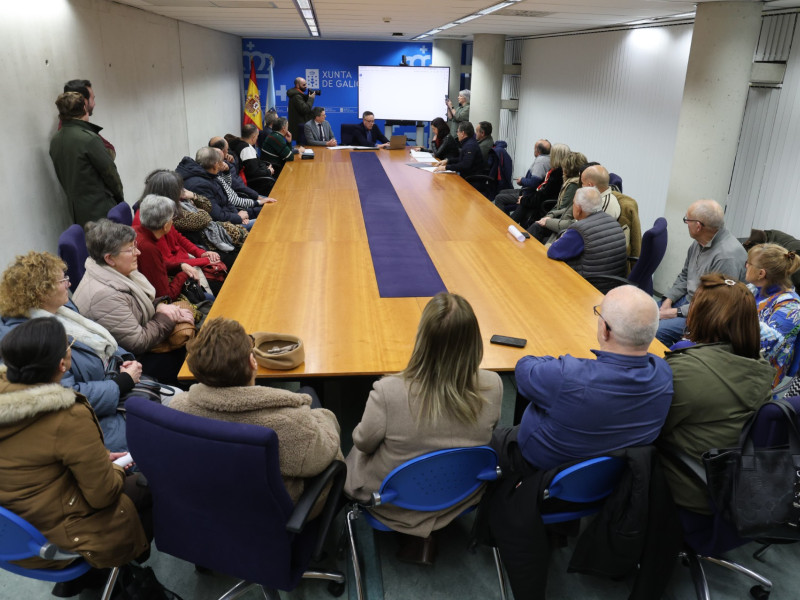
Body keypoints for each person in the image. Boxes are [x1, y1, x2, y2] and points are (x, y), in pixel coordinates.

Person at [344, 293, 502, 564]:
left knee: (351, 450)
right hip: (461, 494)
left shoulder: (388, 391)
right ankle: (432, 533)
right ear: (474, 341)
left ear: (422, 339)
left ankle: (417, 534)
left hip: (393, 500)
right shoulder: (494, 385)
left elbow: (363, 443)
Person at [0, 318, 149, 581]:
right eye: (69, 345)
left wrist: (99, 459)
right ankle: (132, 579)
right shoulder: (67, 415)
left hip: (16, 540)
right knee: (149, 484)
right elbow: (103, 496)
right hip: (62, 537)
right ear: (62, 364)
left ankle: (86, 582)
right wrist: (114, 468)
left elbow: (37, 459)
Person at [170, 317, 342, 518]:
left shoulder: (178, 410)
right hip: (273, 514)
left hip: (212, 505)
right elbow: (324, 454)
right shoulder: (290, 424)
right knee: (314, 401)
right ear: (253, 362)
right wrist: (324, 416)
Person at [492, 284, 672, 472]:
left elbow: (524, 368)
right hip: (611, 477)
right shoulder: (663, 374)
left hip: (536, 469)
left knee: (482, 439)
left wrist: (562, 363)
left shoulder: (567, 376)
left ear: (605, 330)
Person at [0, 251, 139, 452]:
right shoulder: (33, 339)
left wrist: (123, 359)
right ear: (41, 291)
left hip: (118, 388)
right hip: (97, 421)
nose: (69, 283)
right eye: (62, 280)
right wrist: (120, 384)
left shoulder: (62, 310)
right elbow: (64, 394)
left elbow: (101, 342)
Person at [659, 274, 774, 513]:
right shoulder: (761, 366)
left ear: (702, 317)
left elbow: (650, 429)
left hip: (690, 487)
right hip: (731, 483)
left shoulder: (686, 372)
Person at [72, 219, 194, 385]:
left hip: (141, 340)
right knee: (192, 360)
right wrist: (168, 317)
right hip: (132, 363)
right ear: (109, 259)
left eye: (135, 245)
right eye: (130, 249)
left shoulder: (115, 271)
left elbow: (136, 307)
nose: (138, 252)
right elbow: (138, 342)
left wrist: (161, 306)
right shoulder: (104, 295)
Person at [657, 199, 748, 346]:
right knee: (642, 313)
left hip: (705, 314)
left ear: (698, 226)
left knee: (655, 331)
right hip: (689, 301)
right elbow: (685, 275)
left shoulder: (727, 257)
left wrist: (673, 313)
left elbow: (715, 304)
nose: (686, 223)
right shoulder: (699, 241)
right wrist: (668, 300)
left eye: (687, 220)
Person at [49, 92, 124, 226]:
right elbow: (110, 174)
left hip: (77, 212)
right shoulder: (89, 139)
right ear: (84, 108)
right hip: (101, 210)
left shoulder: (55, 141)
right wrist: (120, 200)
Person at [546, 187, 628, 293]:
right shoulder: (613, 222)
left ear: (579, 209)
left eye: (573, 203)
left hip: (587, 286)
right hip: (612, 286)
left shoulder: (580, 229)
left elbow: (553, 252)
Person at [134, 194, 212, 301]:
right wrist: (184, 274)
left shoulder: (137, 231)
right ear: (166, 226)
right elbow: (166, 296)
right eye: (172, 219)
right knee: (209, 300)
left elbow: (160, 264)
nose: (173, 222)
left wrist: (180, 266)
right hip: (161, 303)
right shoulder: (148, 248)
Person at [744, 243, 800, 388]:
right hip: (739, 359)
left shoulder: (791, 306)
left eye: (748, 263)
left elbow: (766, 347)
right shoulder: (753, 289)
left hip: (761, 375)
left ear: (761, 273)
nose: (746, 266)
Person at [176, 147, 260, 230]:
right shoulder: (200, 185)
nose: (222, 165)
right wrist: (238, 218)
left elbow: (227, 201)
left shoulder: (209, 175)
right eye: (221, 162)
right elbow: (216, 216)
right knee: (262, 224)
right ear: (215, 165)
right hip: (221, 227)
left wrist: (238, 215)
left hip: (232, 216)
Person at [527, 151, 587, 242]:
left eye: (564, 167)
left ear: (569, 168)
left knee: (536, 226)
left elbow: (564, 209)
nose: (562, 169)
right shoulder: (570, 181)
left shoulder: (573, 185)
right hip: (558, 217)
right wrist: (549, 215)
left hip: (562, 222)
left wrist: (549, 219)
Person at [511, 143, 569, 226]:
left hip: (546, 205)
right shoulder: (559, 171)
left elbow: (544, 195)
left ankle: (507, 227)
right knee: (523, 204)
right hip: (543, 201)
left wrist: (525, 199)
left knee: (523, 205)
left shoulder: (557, 174)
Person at [494, 139, 551, 215]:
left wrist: (522, 180)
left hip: (528, 194)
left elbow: (534, 183)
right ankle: (506, 218)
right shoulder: (548, 159)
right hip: (527, 190)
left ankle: (501, 222)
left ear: (538, 151)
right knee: (502, 192)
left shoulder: (541, 161)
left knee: (499, 198)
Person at [62, 78, 116, 158]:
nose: (94, 104)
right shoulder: (84, 134)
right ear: (84, 101)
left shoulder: (64, 130)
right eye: (92, 99)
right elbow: (109, 153)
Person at [229, 123, 275, 195]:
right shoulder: (246, 149)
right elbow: (254, 173)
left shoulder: (236, 143)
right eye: (257, 136)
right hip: (255, 184)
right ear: (253, 137)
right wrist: (268, 171)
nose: (257, 139)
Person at [287, 76, 316, 142]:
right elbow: (305, 110)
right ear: (297, 85)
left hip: (301, 127)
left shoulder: (298, 95)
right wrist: (311, 99)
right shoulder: (296, 96)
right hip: (300, 128)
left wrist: (307, 97)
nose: (306, 86)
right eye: (304, 85)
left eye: (306, 84)